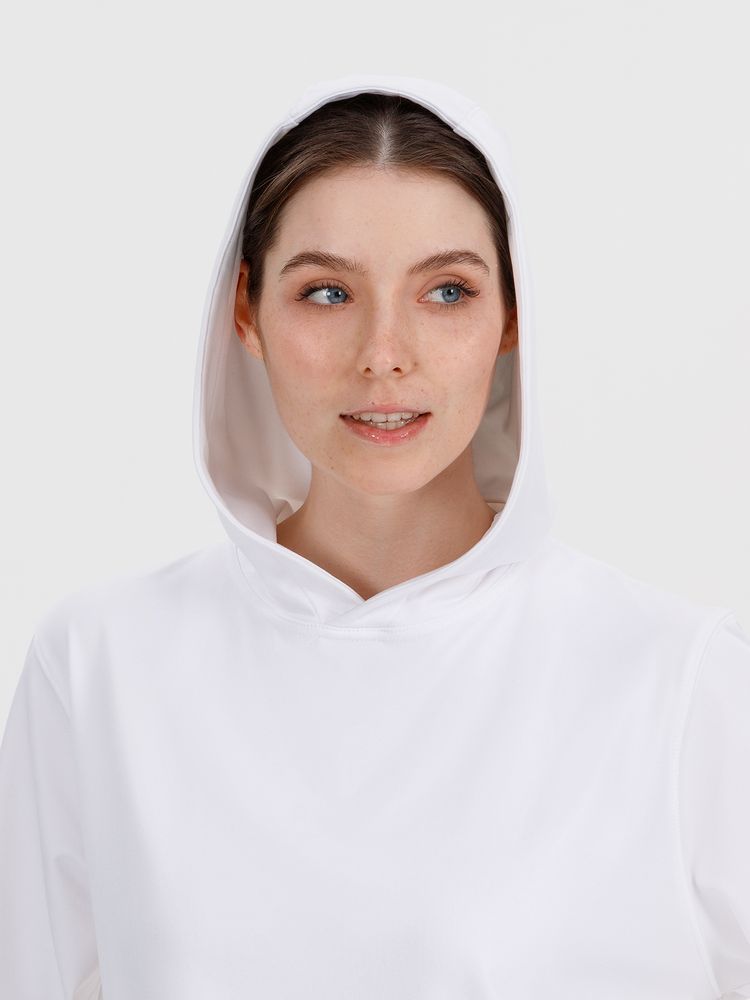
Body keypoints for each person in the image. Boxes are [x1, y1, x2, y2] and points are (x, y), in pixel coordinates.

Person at [0, 73, 748, 1000]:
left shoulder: (683, 687)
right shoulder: (98, 667)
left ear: (512, 316)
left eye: (446, 292)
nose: (384, 354)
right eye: (326, 292)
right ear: (246, 311)